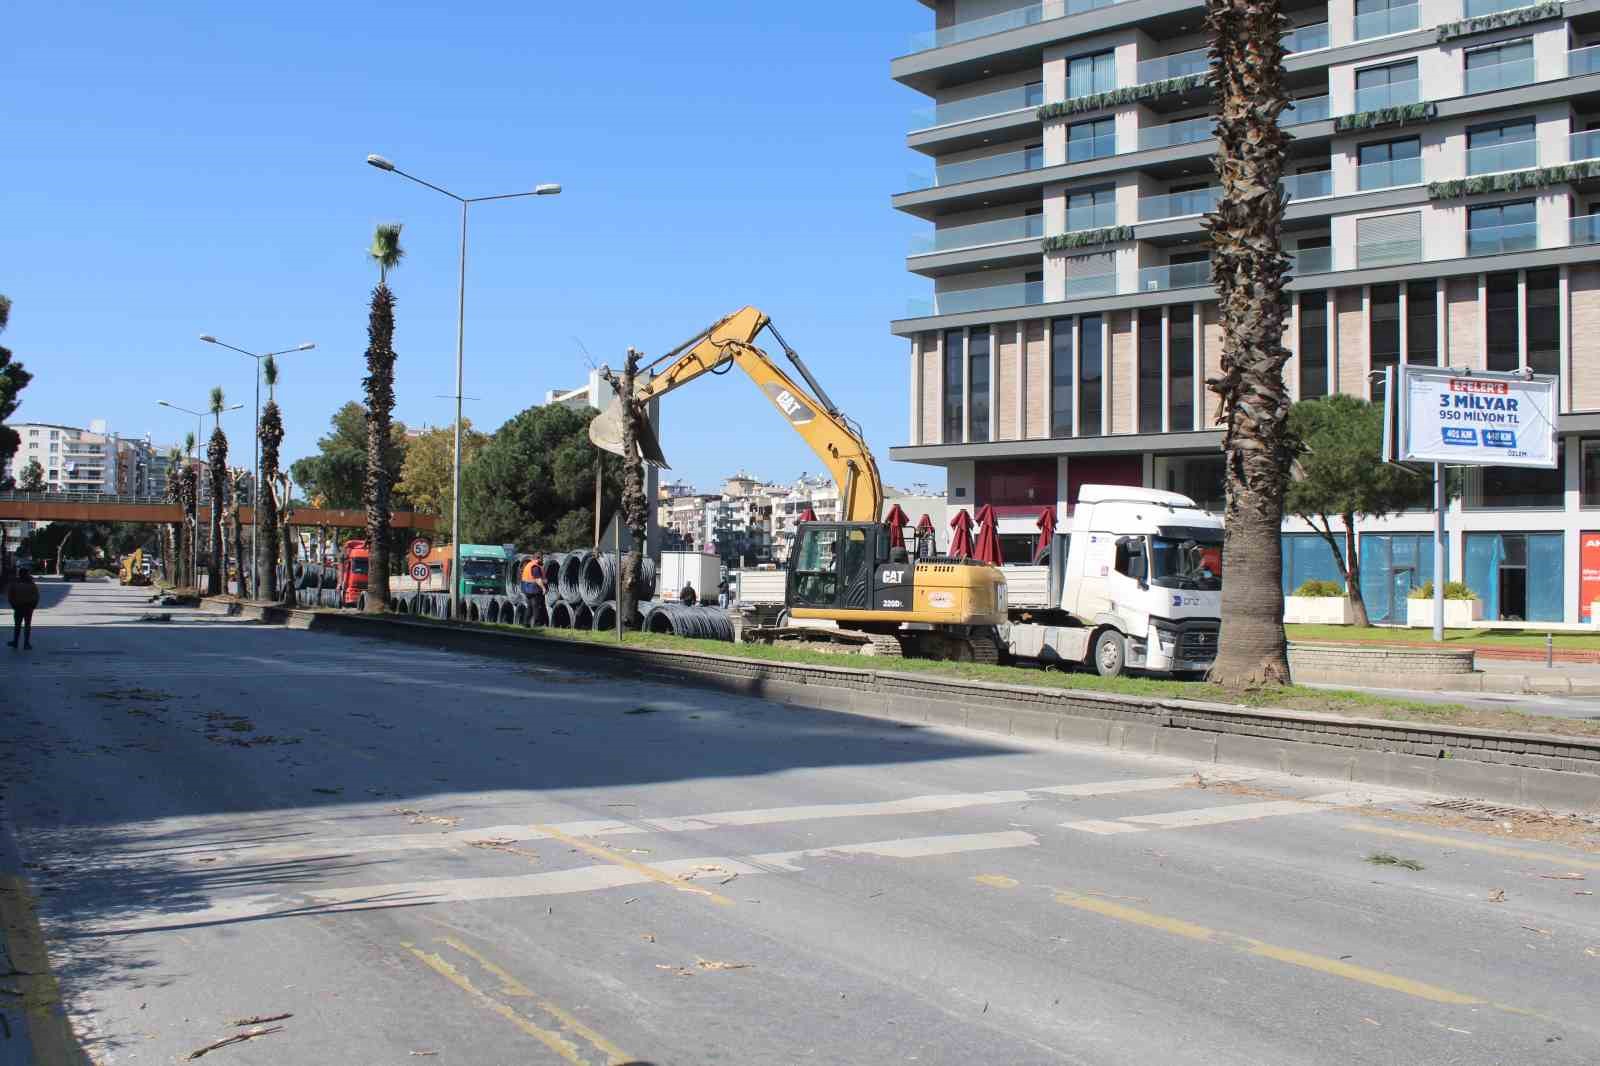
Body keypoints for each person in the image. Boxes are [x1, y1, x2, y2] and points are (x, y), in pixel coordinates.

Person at [8, 568, 39, 650]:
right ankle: (26, 643)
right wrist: (33, 606)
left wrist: (13, 605)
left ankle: (15, 642)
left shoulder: (15, 583)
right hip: (28, 607)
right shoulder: (31, 583)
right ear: (27, 574)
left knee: (17, 625)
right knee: (27, 625)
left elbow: (10, 595)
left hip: (18, 607)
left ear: (19, 574)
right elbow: (36, 596)